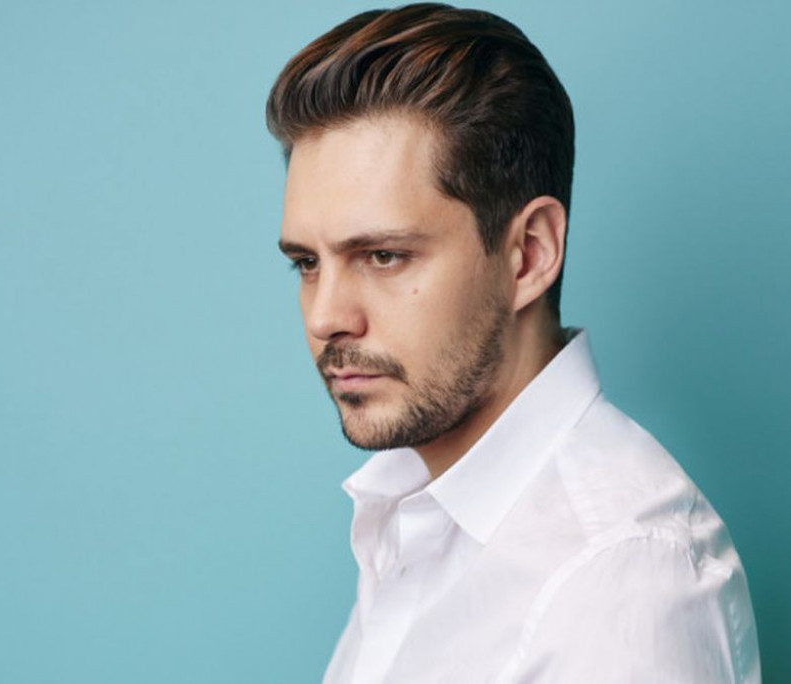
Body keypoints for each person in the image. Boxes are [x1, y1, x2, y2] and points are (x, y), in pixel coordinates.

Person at [267, 4, 760, 682]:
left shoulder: (619, 579)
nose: (326, 316)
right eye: (306, 263)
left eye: (383, 256)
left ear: (528, 254)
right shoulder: (412, 513)